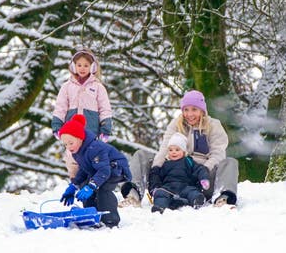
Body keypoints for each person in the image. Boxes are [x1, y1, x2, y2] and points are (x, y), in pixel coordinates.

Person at [120, 90, 238, 208]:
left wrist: (203, 171)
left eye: (194, 109)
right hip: (175, 175)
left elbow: (218, 153)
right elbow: (164, 149)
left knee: (230, 162)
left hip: (203, 179)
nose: (189, 114)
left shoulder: (213, 125)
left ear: (202, 110)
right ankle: (133, 196)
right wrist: (156, 169)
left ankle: (223, 199)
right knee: (142, 155)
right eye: (186, 110)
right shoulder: (176, 124)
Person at [58, 114, 131, 227]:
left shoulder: (94, 148)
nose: (68, 147)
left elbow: (104, 171)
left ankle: (110, 220)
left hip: (115, 168)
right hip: (100, 170)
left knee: (102, 189)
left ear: (80, 138)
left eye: (71, 143)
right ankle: (92, 216)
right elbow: (84, 169)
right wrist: (74, 185)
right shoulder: (78, 151)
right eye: (65, 144)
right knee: (85, 186)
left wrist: (91, 186)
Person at [51, 48, 113, 179]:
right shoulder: (67, 86)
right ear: (74, 66)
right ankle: (75, 180)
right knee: (72, 157)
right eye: (79, 65)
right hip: (71, 132)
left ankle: (92, 181)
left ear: (92, 67)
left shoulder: (98, 87)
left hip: (90, 131)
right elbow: (60, 107)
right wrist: (57, 125)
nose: (82, 68)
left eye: (86, 65)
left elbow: (105, 108)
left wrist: (105, 129)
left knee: (91, 156)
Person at [148, 132, 210, 213]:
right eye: (170, 150)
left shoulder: (188, 161)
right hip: (168, 187)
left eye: (177, 150)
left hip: (185, 186)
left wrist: (204, 179)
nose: (173, 152)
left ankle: (197, 201)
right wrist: (156, 188)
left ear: (184, 151)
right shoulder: (165, 164)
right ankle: (160, 206)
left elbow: (200, 169)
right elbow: (158, 176)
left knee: (193, 192)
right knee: (161, 193)